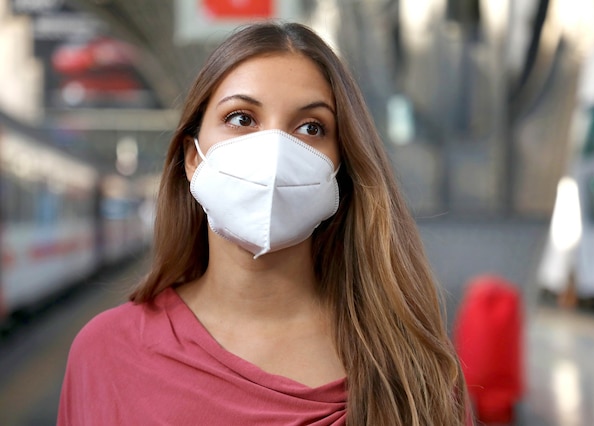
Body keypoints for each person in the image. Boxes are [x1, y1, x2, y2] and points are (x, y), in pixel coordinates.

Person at [58, 21, 471, 425]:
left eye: (311, 128)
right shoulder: (106, 353)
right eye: (241, 119)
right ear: (192, 157)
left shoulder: (413, 366)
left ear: (341, 169)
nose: (274, 152)